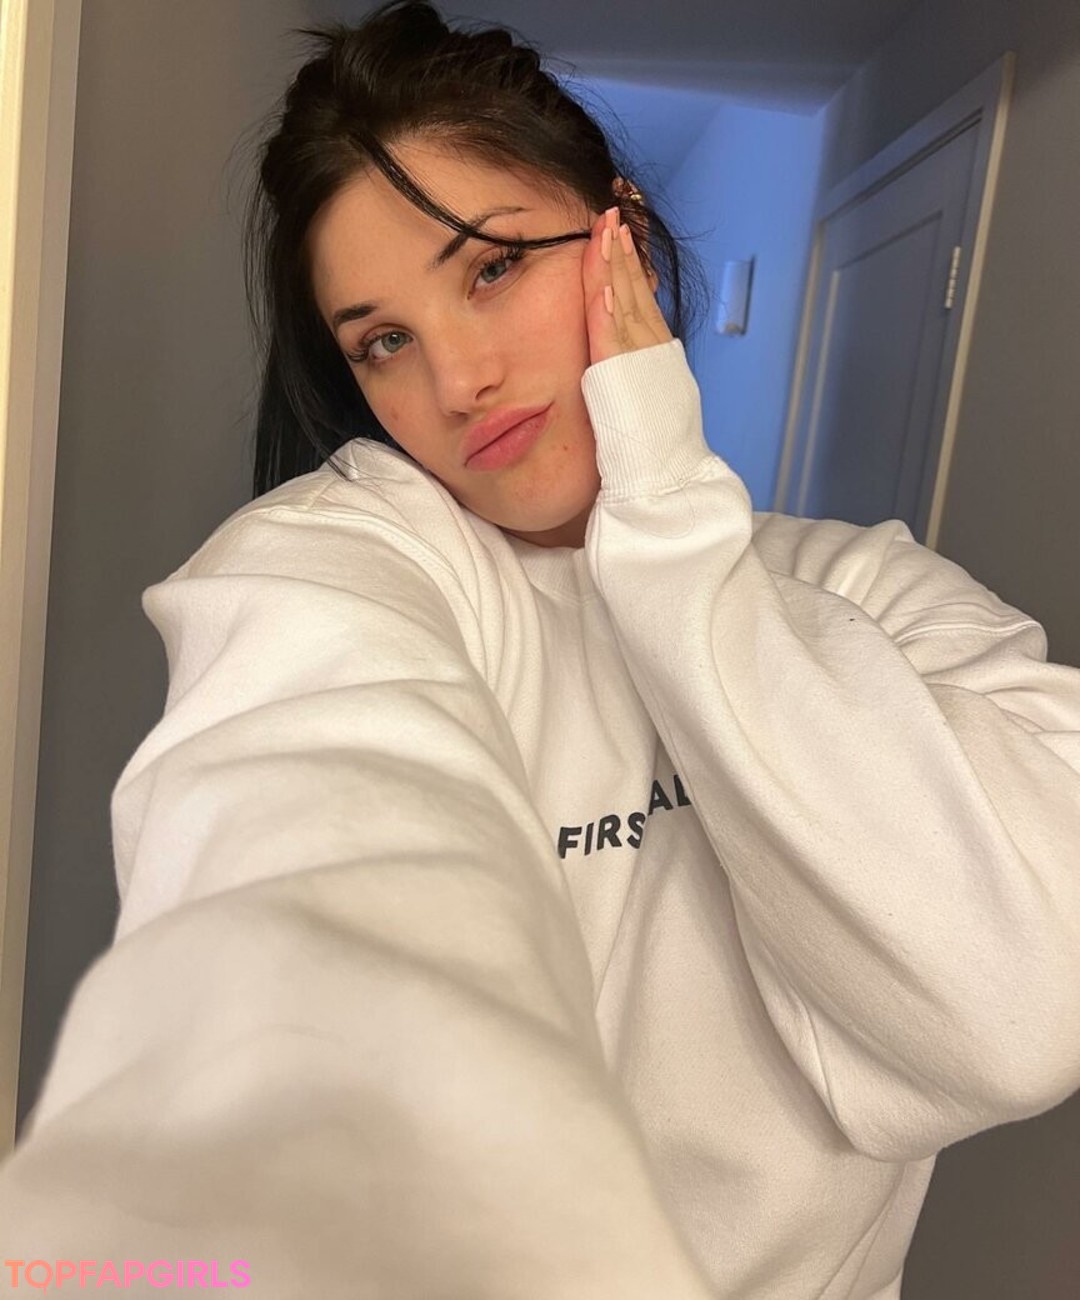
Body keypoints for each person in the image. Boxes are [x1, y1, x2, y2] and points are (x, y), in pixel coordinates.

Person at [2, 2, 1079, 1296]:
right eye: (383, 342)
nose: (455, 380)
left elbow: (1019, 1012)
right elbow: (298, 851)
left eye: (492, 268)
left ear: (623, 240)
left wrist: (671, 525)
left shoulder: (881, 597)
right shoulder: (351, 572)